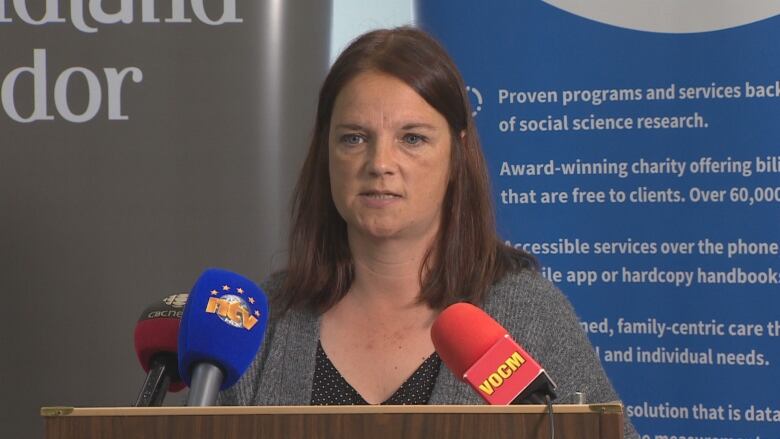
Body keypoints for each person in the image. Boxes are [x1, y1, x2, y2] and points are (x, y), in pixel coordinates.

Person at [219, 26, 638, 438]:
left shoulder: (527, 313)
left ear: (456, 155)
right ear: (326, 152)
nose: (380, 163)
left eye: (412, 138)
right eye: (354, 138)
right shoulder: (256, 322)